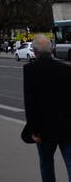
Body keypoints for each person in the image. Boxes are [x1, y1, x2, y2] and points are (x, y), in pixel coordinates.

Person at [23, 33, 71, 181]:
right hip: (67, 127)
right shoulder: (66, 69)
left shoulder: (30, 70)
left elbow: (30, 103)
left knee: (46, 163)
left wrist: (34, 130)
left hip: (43, 129)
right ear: (51, 51)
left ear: (35, 51)